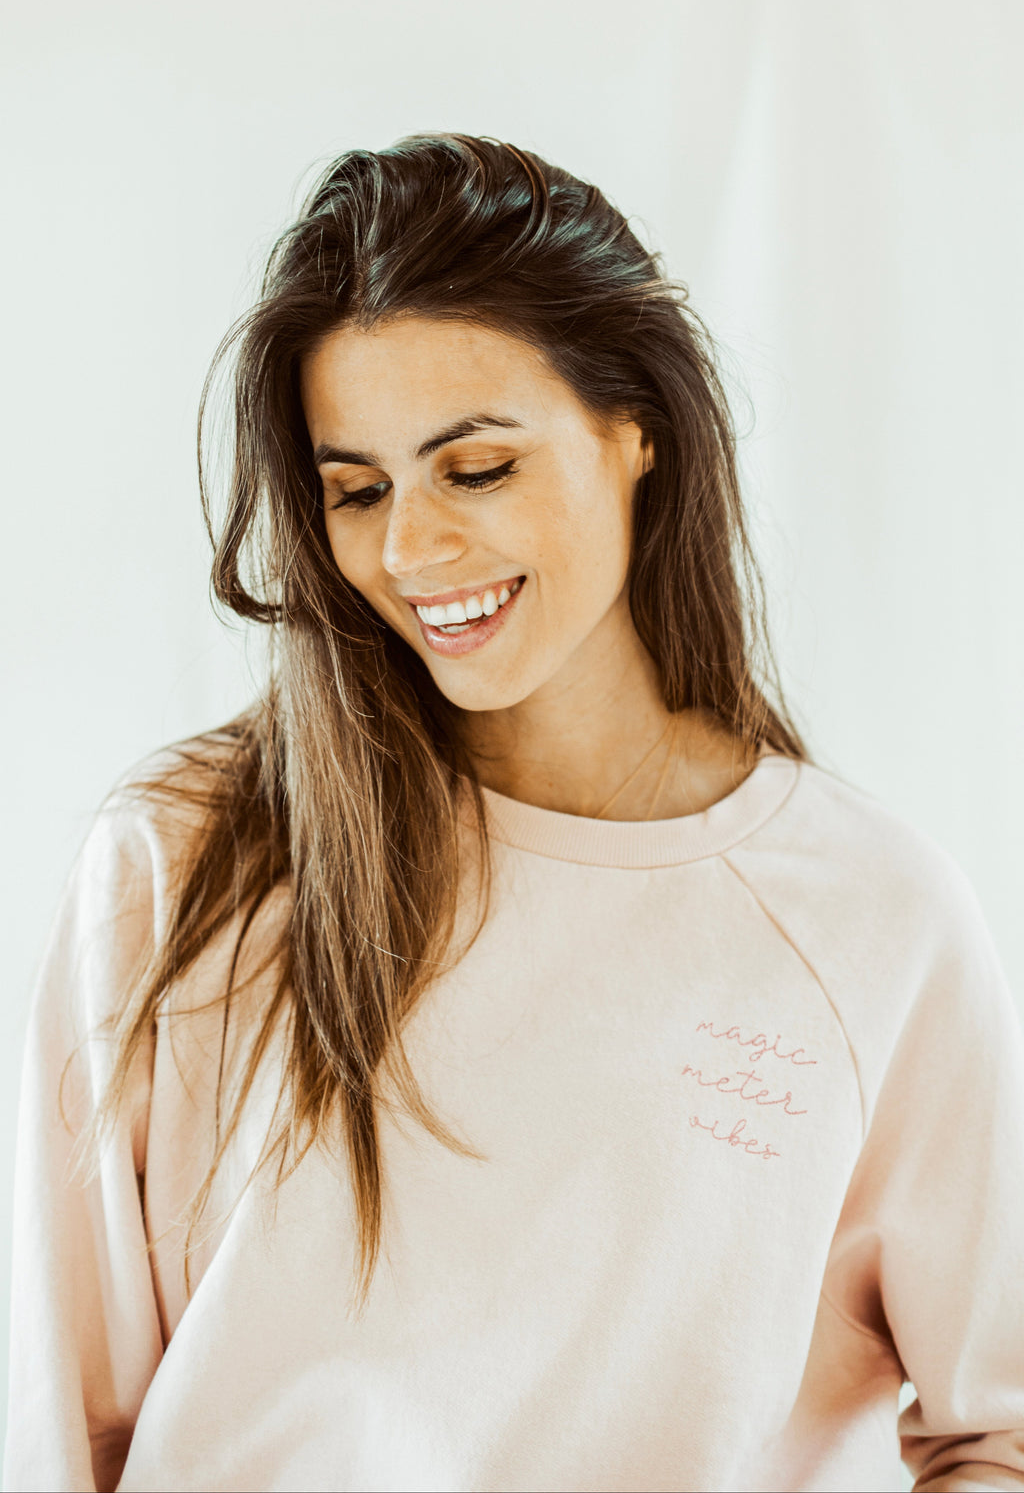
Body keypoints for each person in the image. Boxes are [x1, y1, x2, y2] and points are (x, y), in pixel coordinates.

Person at [6, 132, 1024, 1493]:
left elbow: (995, 1431)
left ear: (638, 429)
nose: (409, 549)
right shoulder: (185, 860)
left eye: (476, 469)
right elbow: (60, 1431)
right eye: (357, 490)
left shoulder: (872, 921)